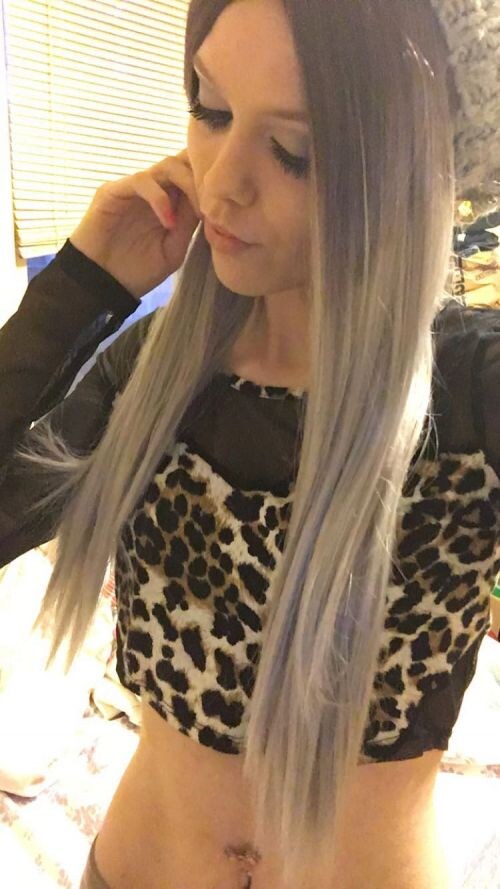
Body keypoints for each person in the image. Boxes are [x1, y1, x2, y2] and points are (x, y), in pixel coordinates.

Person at [0, 1, 499, 887]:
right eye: (212, 108)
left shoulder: (473, 394)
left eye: (293, 150)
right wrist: (78, 285)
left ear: (397, 167)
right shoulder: (156, 372)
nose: (222, 183)